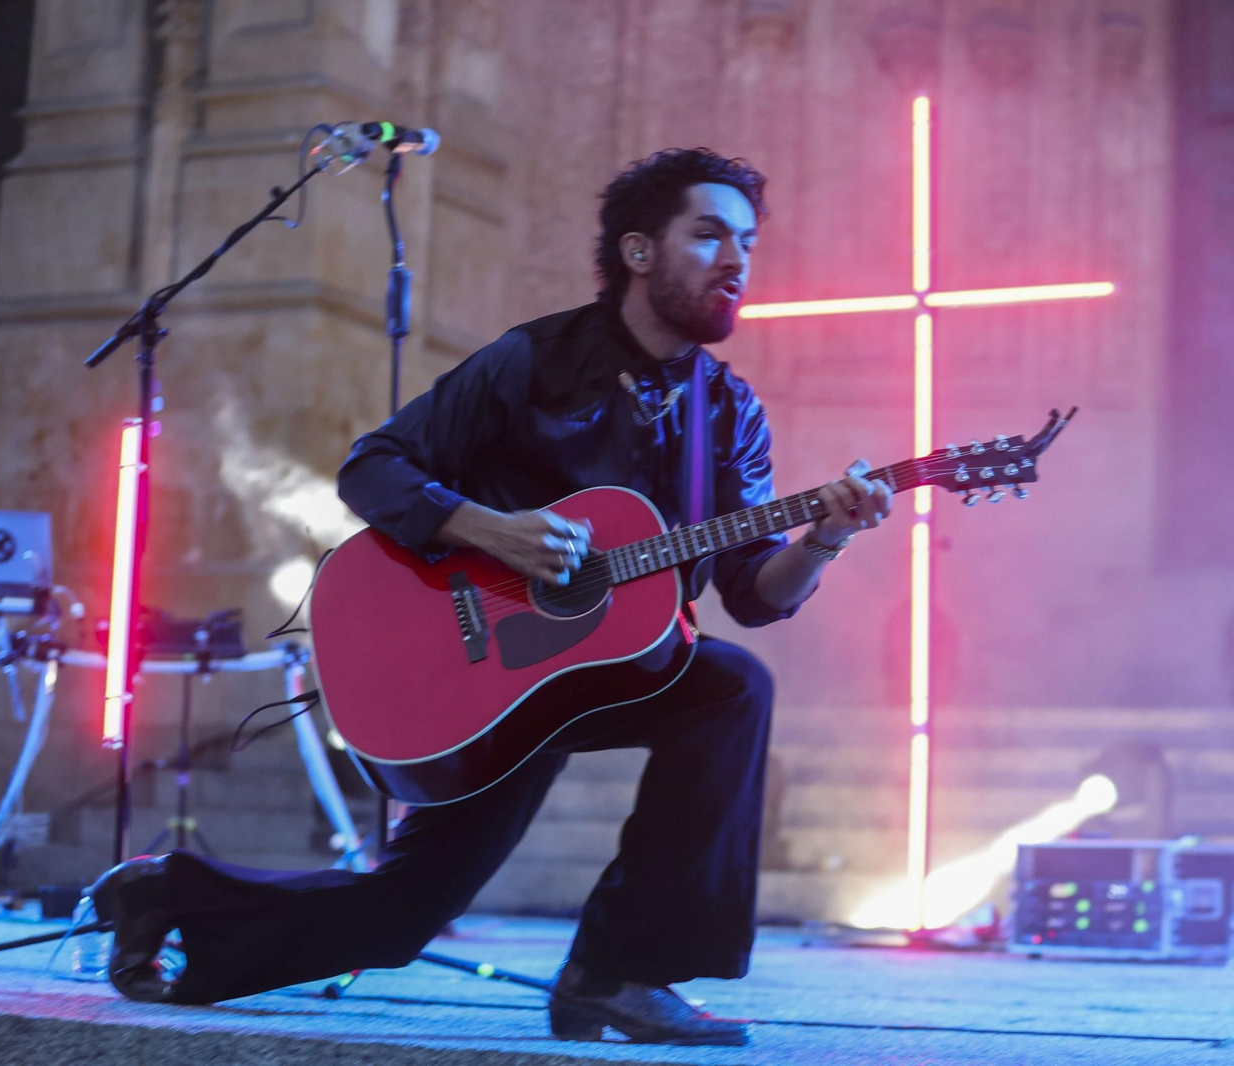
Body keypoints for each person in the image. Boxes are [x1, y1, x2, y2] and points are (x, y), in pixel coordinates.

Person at [87, 148, 893, 1047]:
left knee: (733, 685)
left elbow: (753, 593)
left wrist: (825, 538)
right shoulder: (534, 360)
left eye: (746, 241)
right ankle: (165, 893)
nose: (737, 260)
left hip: (606, 672)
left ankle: (619, 973)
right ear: (638, 251)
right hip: (482, 669)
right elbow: (373, 467)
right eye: (709, 235)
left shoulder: (730, 415)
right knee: (399, 921)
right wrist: (490, 530)